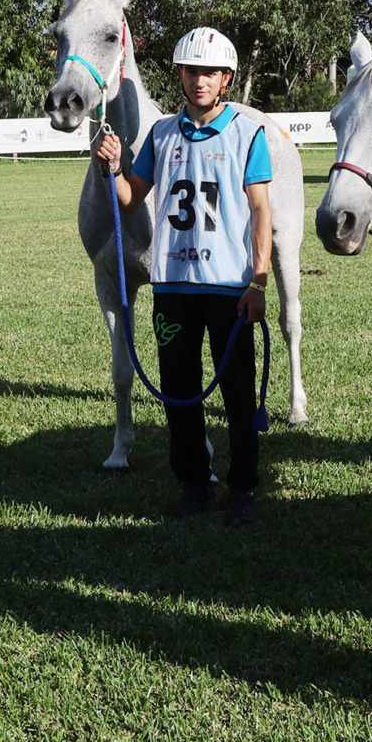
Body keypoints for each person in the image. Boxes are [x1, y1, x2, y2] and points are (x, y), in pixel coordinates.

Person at [92, 27, 272, 526]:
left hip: (229, 287)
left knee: (237, 393)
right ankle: (195, 484)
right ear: (180, 75)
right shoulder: (162, 133)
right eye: (191, 71)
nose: (199, 80)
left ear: (226, 79)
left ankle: (242, 490)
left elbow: (261, 212)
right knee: (179, 391)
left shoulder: (247, 133)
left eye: (209, 72)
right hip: (172, 285)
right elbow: (131, 197)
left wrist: (259, 281)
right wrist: (110, 168)